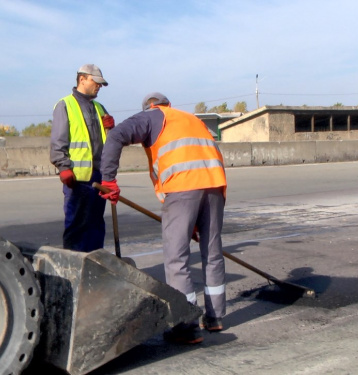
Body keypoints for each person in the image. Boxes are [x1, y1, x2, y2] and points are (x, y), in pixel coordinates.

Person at [99, 92, 227, 344]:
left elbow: (116, 136)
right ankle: (215, 318)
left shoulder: (152, 117)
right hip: (215, 184)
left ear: (150, 107)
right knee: (212, 253)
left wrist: (108, 179)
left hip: (182, 188)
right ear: (169, 105)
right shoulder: (190, 118)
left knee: (176, 259)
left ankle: (186, 324)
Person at [50, 64, 115, 252]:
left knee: (95, 225)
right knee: (77, 226)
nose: (99, 86)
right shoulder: (65, 105)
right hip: (77, 179)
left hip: (99, 176)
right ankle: (74, 270)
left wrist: (112, 129)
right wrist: (63, 167)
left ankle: (94, 268)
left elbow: (108, 142)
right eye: (96, 82)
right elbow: (58, 140)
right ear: (82, 79)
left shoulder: (99, 107)